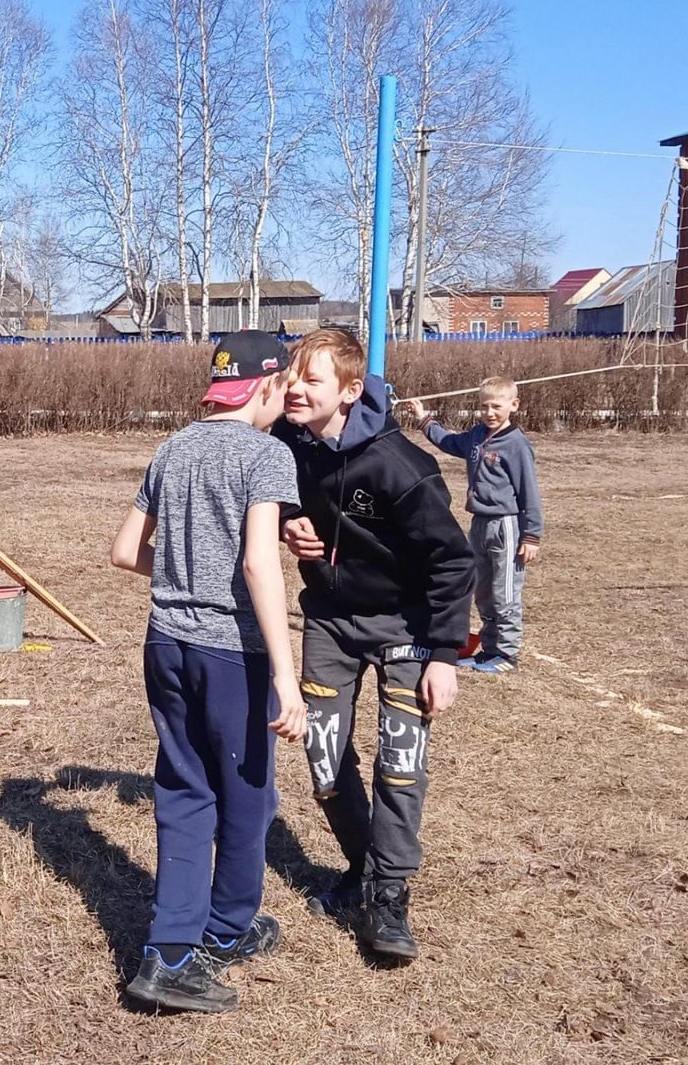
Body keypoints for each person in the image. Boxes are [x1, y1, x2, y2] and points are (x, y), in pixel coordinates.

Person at [108, 330, 307, 1015]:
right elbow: (260, 565)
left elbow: (124, 550)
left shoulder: (172, 448)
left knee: (187, 791)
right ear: (266, 386)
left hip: (165, 644)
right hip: (233, 655)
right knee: (247, 798)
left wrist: (178, 580)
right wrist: (286, 675)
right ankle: (218, 933)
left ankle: (173, 946)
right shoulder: (268, 454)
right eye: (284, 389)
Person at [271, 329, 472, 965]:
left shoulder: (401, 466)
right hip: (330, 621)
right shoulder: (286, 444)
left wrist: (443, 654)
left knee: (399, 764)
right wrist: (286, 523)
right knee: (324, 761)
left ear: (352, 391)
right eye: (293, 377)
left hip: (406, 629)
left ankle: (388, 897)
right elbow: (275, 504)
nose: (296, 390)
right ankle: (362, 868)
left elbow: (452, 561)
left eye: (314, 380)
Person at [399, 378, 542, 674]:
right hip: (479, 524)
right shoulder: (477, 436)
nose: (489, 412)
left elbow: (529, 491)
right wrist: (424, 418)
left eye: (496, 407)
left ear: (513, 406)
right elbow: (449, 442)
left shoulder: (516, 445)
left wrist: (531, 535)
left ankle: (507, 653)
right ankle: (489, 649)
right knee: (482, 590)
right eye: (484, 407)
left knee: (505, 592)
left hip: (506, 526)